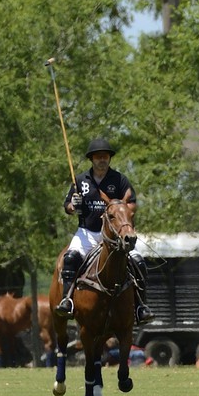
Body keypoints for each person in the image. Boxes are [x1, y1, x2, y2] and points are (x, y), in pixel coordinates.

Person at [56, 138, 153, 324]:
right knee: (70, 259)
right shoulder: (80, 180)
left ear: (109, 158)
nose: (102, 160)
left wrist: (122, 209)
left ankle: (141, 306)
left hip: (115, 236)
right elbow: (67, 207)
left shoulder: (119, 179)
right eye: (98, 157)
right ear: (92, 159)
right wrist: (73, 205)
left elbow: (132, 203)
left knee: (139, 262)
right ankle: (67, 300)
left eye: (105, 156)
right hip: (88, 232)